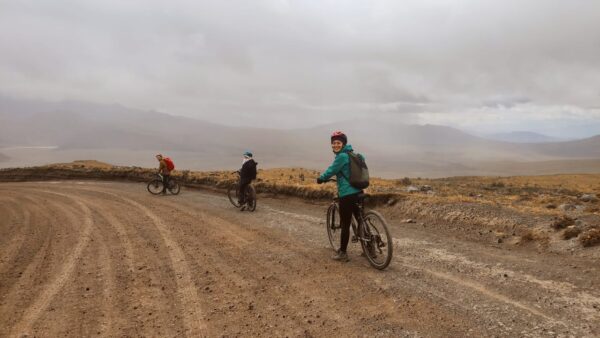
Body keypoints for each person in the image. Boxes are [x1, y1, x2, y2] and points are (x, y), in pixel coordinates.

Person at [317, 131, 363, 262]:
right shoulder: (354, 155)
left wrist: (321, 178)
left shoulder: (341, 157)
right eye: (334, 143)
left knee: (345, 223)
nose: (335, 145)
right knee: (360, 218)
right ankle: (369, 247)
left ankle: (343, 253)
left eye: (338, 143)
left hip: (347, 194)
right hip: (359, 191)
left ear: (343, 144)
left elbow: (332, 170)